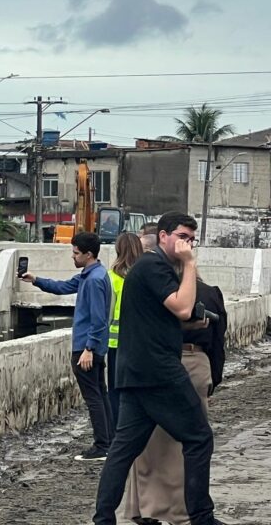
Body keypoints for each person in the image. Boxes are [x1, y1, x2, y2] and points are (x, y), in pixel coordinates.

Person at [93, 211, 225, 525]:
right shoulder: (154, 265)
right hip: (159, 372)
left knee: (123, 450)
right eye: (182, 237)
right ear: (163, 236)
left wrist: (193, 318)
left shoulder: (151, 267)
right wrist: (190, 264)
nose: (187, 244)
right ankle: (201, 516)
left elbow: (167, 316)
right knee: (199, 438)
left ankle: (103, 519)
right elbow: (180, 306)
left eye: (191, 240)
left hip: (136, 372)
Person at [124, 275, 228, 525]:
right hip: (196, 364)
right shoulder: (209, 293)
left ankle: (147, 507)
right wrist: (214, 378)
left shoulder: (154, 292)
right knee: (193, 444)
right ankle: (186, 510)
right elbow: (218, 341)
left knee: (151, 442)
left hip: (158, 365)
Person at [22, 231, 113, 461]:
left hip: (86, 348)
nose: (72, 257)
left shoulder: (93, 280)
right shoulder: (92, 274)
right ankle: (109, 441)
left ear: (88, 254)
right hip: (92, 346)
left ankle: (102, 445)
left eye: (75, 253)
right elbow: (63, 287)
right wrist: (36, 280)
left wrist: (88, 349)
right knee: (100, 394)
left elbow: (98, 318)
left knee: (93, 397)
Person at [107, 232, 144, 427]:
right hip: (141, 343)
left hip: (115, 343)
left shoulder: (112, 277)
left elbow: (108, 312)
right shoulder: (145, 274)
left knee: (115, 390)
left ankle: (117, 431)